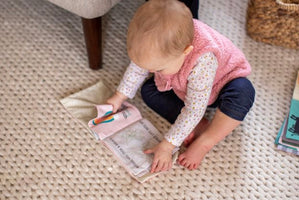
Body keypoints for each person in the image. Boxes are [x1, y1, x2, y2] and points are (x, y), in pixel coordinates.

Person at [106, 0, 255, 173]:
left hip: (221, 84)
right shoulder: (164, 50)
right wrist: (119, 96)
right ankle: (197, 125)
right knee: (149, 91)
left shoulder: (203, 59)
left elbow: (194, 108)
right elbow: (138, 67)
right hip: (184, 86)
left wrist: (168, 145)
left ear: (185, 51)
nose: (151, 71)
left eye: (158, 68)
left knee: (243, 91)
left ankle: (205, 140)